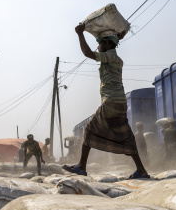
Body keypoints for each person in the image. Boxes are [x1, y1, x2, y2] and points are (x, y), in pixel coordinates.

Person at [63, 23, 149, 178]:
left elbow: (88, 53)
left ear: (108, 44)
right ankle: (141, 170)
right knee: (128, 137)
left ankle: (81, 166)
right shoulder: (115, 57)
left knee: (89, 129)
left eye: (101, 42)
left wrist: (80, 34)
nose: (98, 46)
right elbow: (110, 44)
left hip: (110, 102)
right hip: (121, 103)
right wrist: (118, 35)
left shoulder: (109, 56)